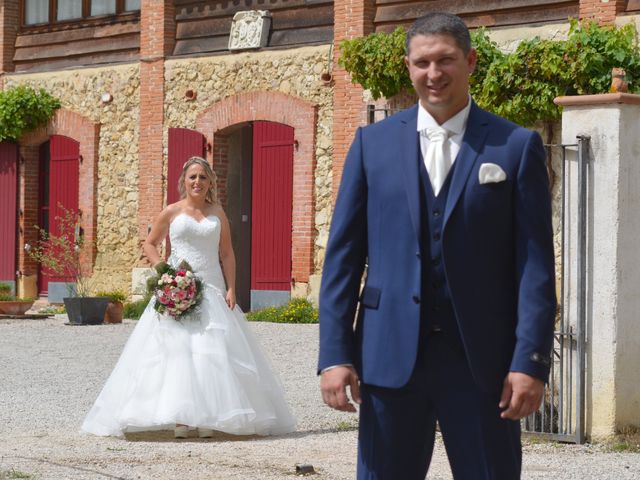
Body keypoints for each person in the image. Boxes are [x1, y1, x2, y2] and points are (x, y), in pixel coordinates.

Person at [318, 12, 556, 479]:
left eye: (446, 60)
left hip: (484, 365)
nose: (434, 74)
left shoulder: (514, 146)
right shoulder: (372, 145)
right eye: (423, 62)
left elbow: (534, 268)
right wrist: (335, 355)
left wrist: (531, 362)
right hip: (388, 360)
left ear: (469, 60)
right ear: (408, 66)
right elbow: (343, 261)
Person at [82, 156, 296, 439]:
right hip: (176, 286)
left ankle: (208, 416)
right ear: (184, 181)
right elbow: (150, 243)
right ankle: (182, 418)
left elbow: (227, 253)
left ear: (210, 183)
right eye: (192, 177)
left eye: (203, 177)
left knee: (211, 350)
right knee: (177, 349)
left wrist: (232, 287)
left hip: (211, 285)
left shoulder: (218, 213)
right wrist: (165, 273)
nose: (198, 182)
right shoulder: (171, 211)